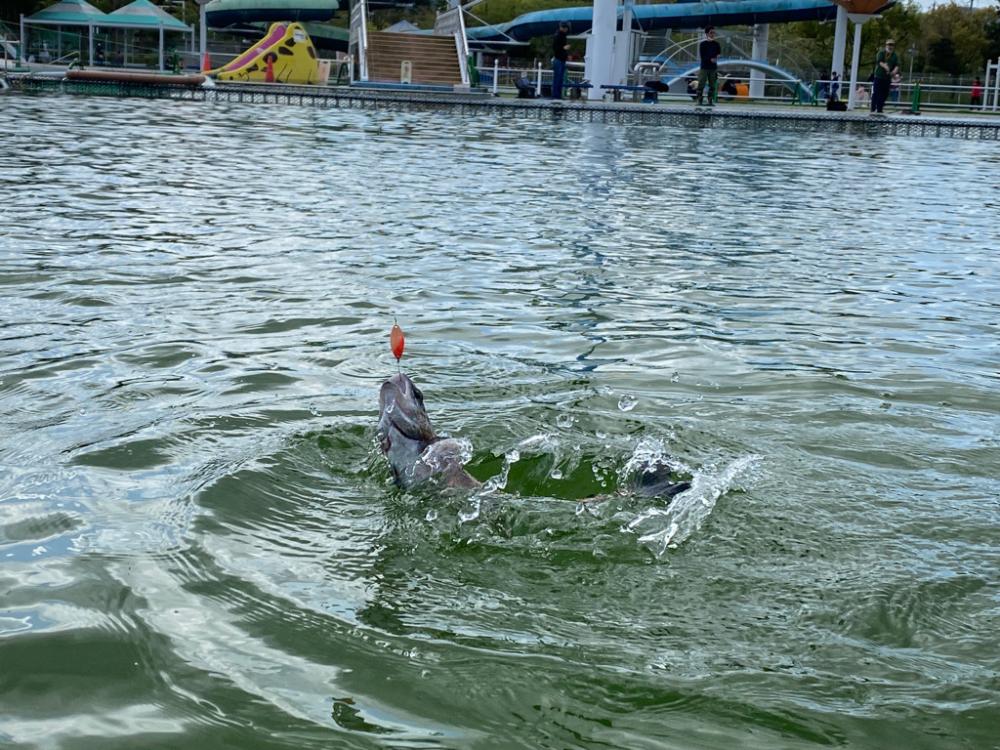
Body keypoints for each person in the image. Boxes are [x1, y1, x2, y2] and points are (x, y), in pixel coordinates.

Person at [870, 38, 900, 114]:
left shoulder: (895, 56)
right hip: (878, 76)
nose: (890, 46)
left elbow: (897, 65)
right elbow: (880, 62)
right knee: (876, 93)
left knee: (885, 93)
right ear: (886, 45)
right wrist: (886, 67)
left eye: (892, 45)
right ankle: (873, 108)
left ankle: (880, 109)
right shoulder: (881, 53)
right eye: (889, 44)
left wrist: (894, 72)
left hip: (887, 78)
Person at [695, 26, 721, 106]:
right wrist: (711, 59)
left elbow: (718, 54)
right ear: (707, 34)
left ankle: (710, 100)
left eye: (713, 32)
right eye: (711, 32)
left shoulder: (717, 44)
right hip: (704, 67)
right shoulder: (703, 44)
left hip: (713, 67)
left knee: (712, 84)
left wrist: (716, 58)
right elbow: (703, 56)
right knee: (701, 83)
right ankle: (699, 99)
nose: (713, 34)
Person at [551, 22, 570, 100]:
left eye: (566, 28)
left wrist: (566, 55)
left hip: (561, 59)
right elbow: (555, 48)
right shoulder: (558, 36)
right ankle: (556, 95)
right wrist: (564, 48)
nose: (566, 29)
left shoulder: (562, 36)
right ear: (561, 27)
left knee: (560, 78)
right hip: (558, 60)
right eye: (564, 27)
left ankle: (558, 95)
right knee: (558, 78)